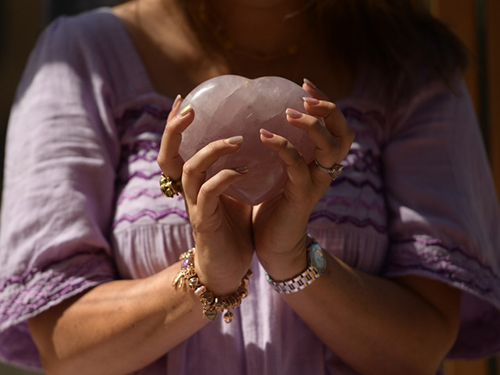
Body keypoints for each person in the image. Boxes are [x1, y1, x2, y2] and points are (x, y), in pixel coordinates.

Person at [0, 0, 499, 374]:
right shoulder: (83, 56)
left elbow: (422, 344)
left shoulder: (411, 67)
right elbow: (63, 345)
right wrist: (208, 275)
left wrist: (293, 260)